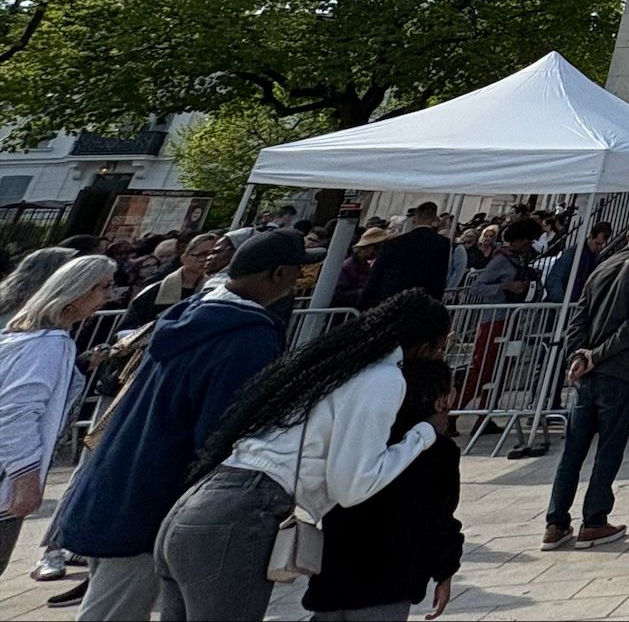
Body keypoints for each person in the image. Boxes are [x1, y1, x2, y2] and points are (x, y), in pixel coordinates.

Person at [51, 229, 304, 621]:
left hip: (117, 481)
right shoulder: (246, 338)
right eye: (296, 274)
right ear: (277, 274)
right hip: (155, 495)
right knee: (112, 610)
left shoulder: (190, 313)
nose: (298, 283)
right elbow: (222, 431)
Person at [155, 288, 448, 622]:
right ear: (423, 345)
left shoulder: (337, 365)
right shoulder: (383, 377)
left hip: (200, 502)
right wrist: (422, 435)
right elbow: (353, 486)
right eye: (439, 348)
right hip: (242, 512)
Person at [301, 357, 462, 622]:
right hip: (387, 583)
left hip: (332, 580)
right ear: (441, 401)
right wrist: (445, 570)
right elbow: (438, 520)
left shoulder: (362, 441)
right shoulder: (437, 453)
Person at [546, 211, 629, 551]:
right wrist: (596, 355)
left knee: (573, 448)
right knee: (609, 447)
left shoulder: (602, 264)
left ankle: (556, 522)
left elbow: (579, 318)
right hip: (619, 368)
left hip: (588, 371)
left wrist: (579, 356)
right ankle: (594, 519)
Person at [0, 258, 117, 572]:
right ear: (76, 293)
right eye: (103, 287)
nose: (109, 297)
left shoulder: (32, 339)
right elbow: (15, 414)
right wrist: (25, 479)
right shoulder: (47, 345)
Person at [124, 233, 225, 331]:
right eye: (202, 255)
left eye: (213, 254)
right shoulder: (154, 291)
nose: (208, 259)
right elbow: (126, 330)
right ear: (184, 258)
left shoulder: (214, 293)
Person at [365, 204, 453, 307]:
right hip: (421, 301)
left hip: (390, 298)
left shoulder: (393, 243)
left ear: (414, 220)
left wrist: (364, 303)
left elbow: (376, 275)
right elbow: (440, 276)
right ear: (434, 219)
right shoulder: (443, 243)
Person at [545, 219, 614, 307]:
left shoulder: (593, 257)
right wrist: (561, 303)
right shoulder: (573, 253)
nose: (599, 247)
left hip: (572, 302)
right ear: (591, 237)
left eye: (602, 244)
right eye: (597, 244)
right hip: (564, 302)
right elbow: (555, 278)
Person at [329, 229, 388, 310]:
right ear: (365, 247)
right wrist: (363, 292)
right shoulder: (348, 266)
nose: (378, 252)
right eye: (376, 248)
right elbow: (337, 296)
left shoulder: (364, 265)